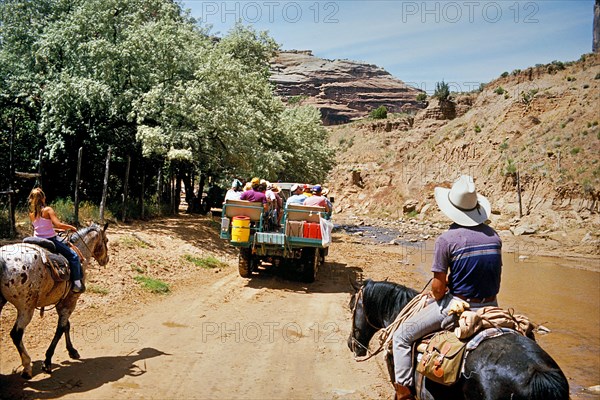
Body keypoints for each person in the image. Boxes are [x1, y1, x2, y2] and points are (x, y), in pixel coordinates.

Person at [392, 175, 502, 400]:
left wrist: (442, 286)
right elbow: (486, 274)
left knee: (401, 337)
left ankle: (404, 393)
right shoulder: (494, 236)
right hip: (491, 305)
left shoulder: (447, 239)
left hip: (458, 307)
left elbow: (438, 290)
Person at [28, 187, 85, 293]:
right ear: (43, 199)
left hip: (36, 239)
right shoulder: (48, 210)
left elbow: (40, 227)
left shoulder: (32, 214)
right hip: (50, 239)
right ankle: (77, 283)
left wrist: (55, 229)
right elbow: (58, 224)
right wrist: (71, 227)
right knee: (74, 256)